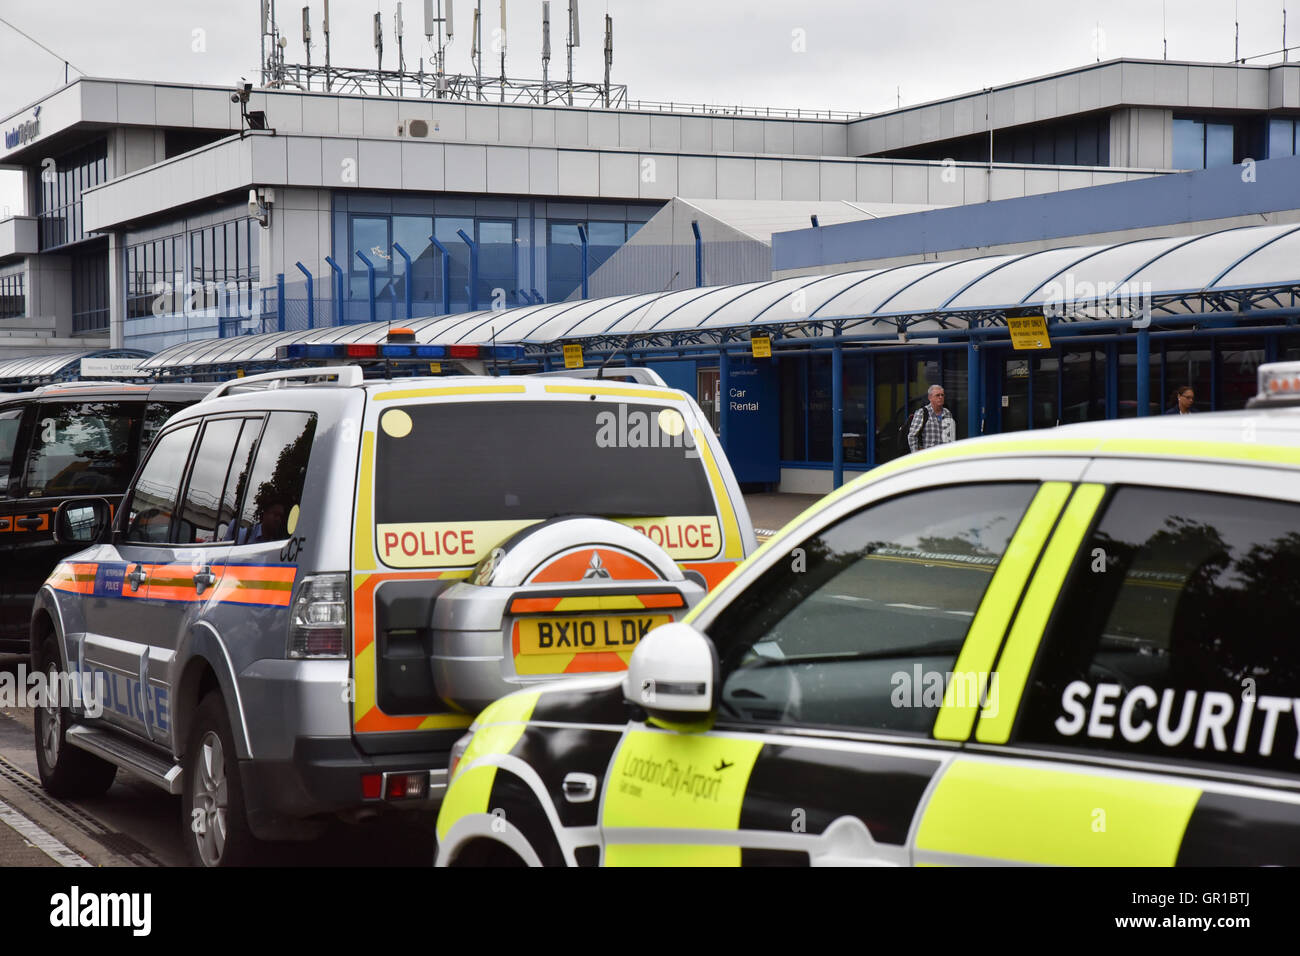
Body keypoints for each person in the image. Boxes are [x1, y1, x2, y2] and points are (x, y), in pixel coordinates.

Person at [908, 385, 956, 453]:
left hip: (944, 456)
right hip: (928, 457)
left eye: (942, 395)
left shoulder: (947, 413)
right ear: (930, 398)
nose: (940, 397)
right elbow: (912, 436)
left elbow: (951, 437)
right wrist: (916, 454)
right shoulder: (922, 413)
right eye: (937, 395)